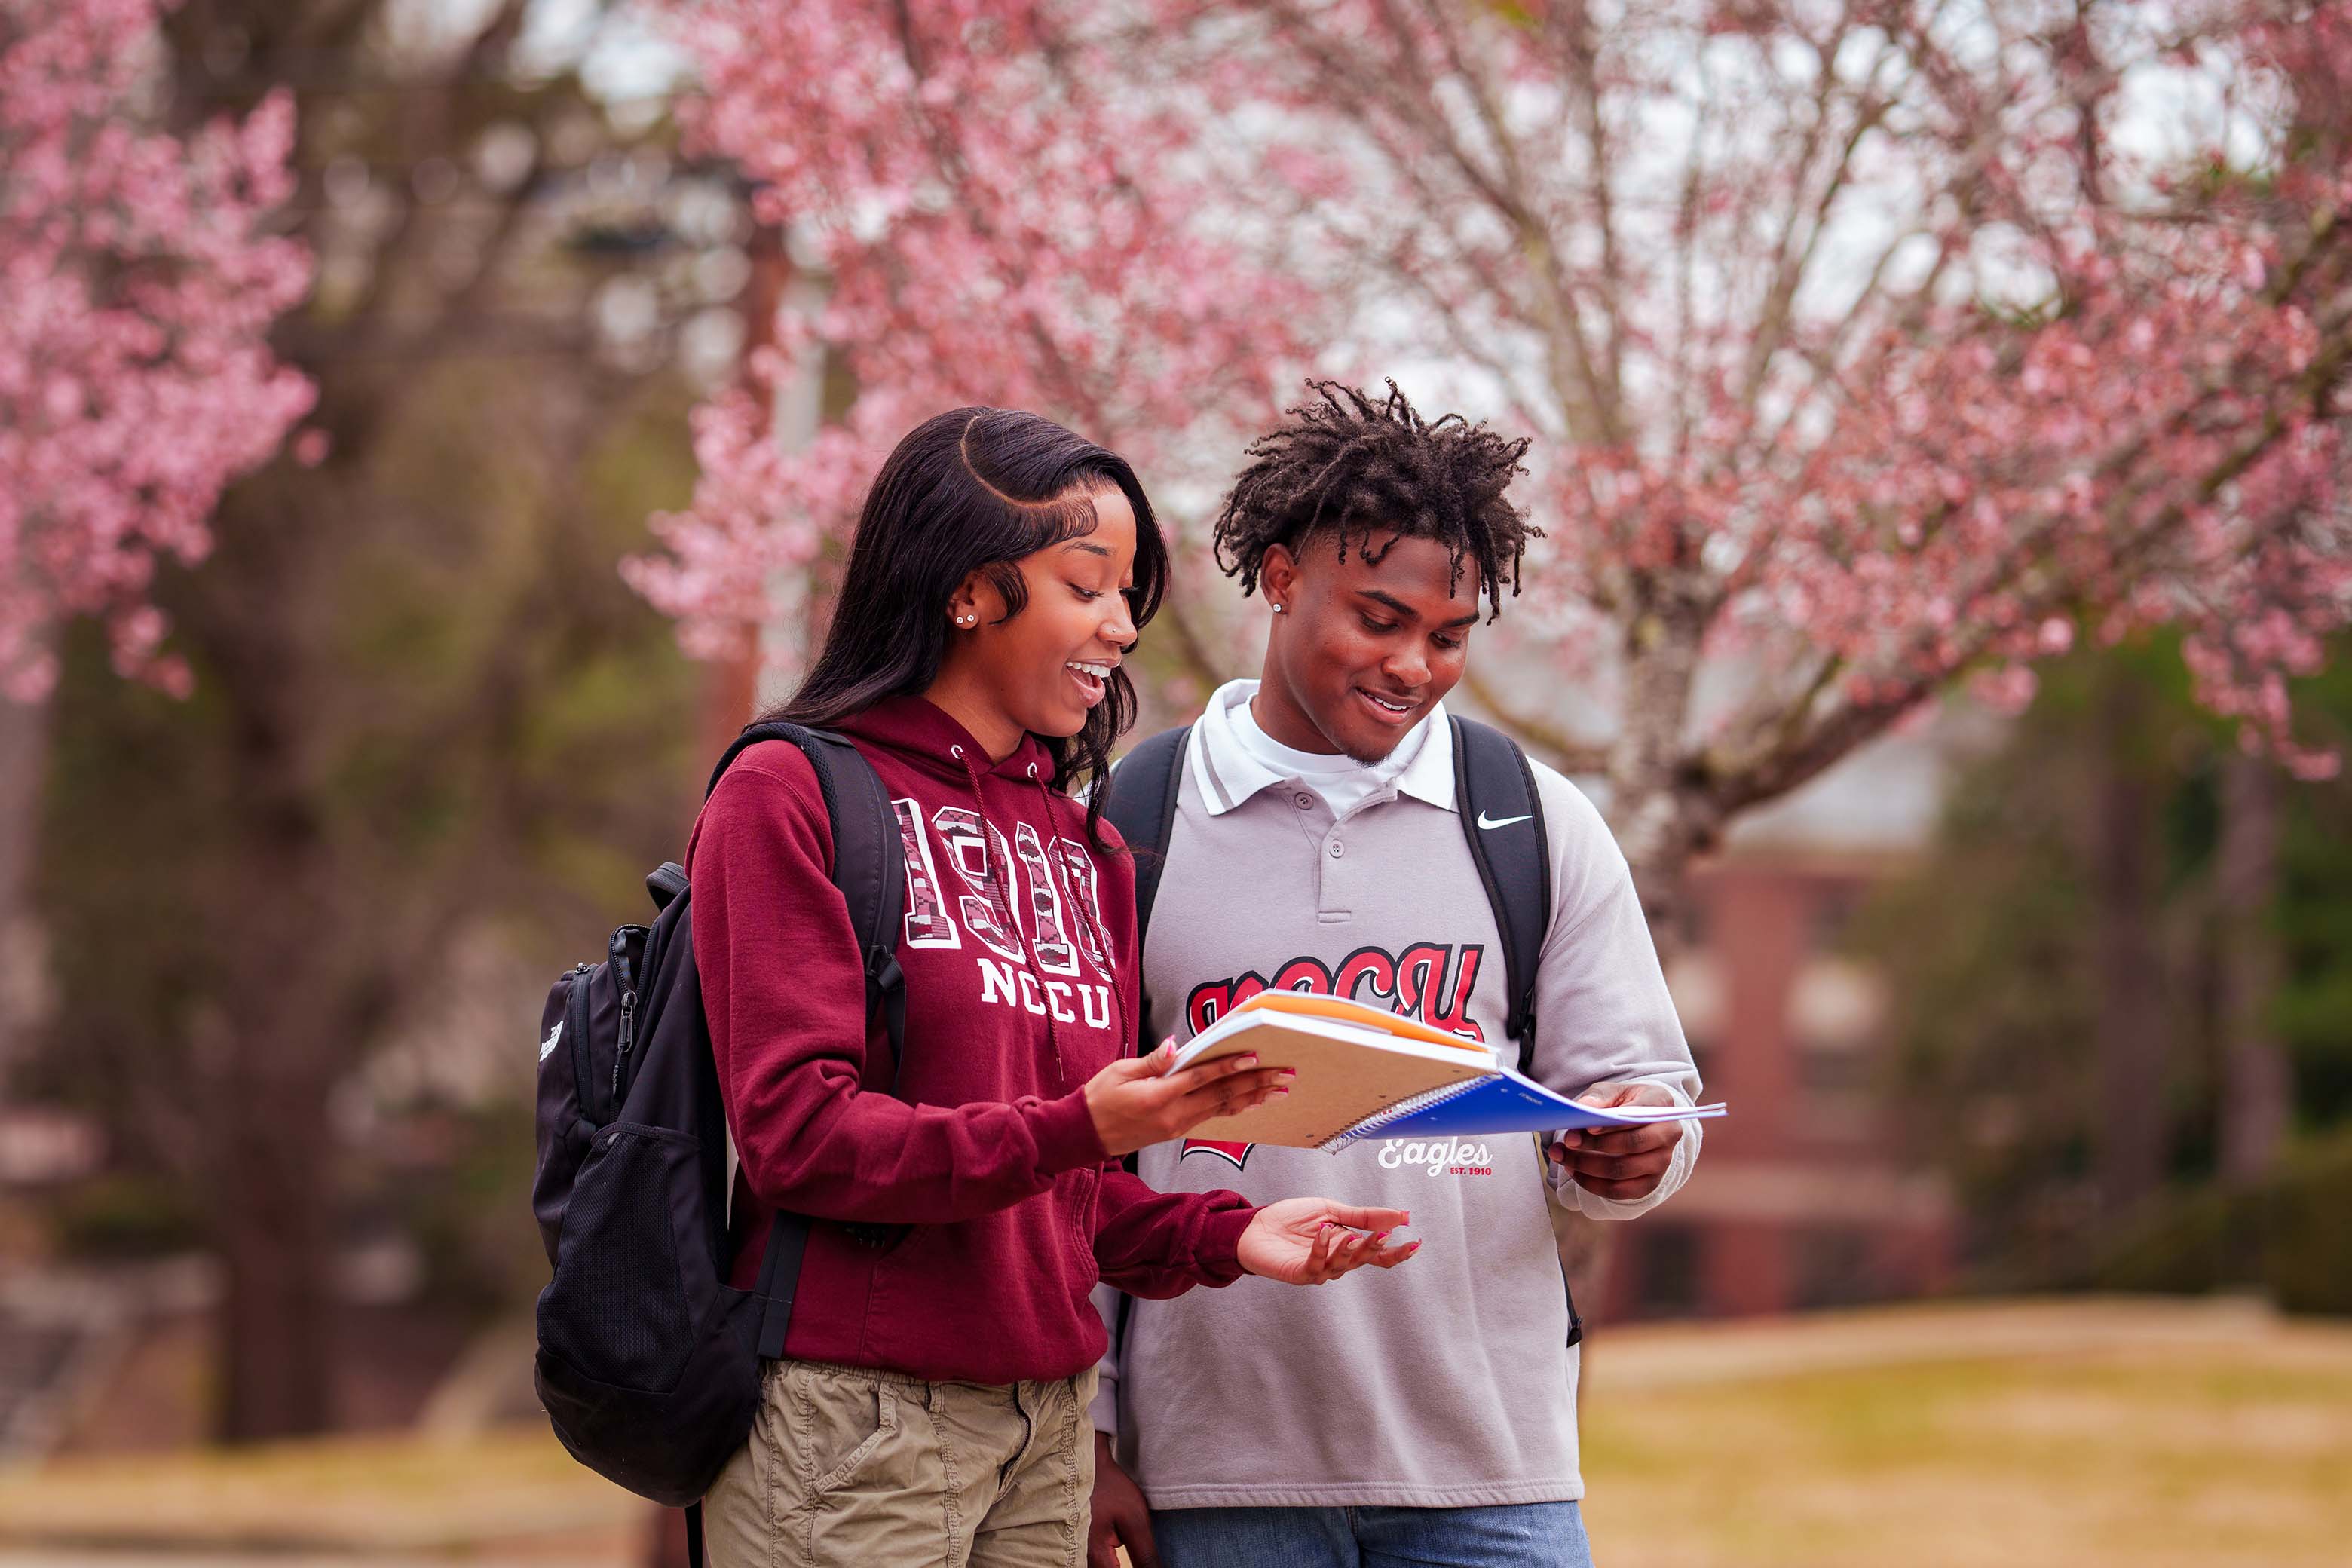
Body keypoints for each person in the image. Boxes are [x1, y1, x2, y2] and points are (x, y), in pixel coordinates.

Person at [690, 406, 1417, 1568]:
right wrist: (1078, 1128)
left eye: (1129, 592)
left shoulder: (1089, 848)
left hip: (1046, 1432)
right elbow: (798, 1138)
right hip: (855, 1421)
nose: (1122, 625)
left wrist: (1232, 1236)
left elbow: (1060, 1196)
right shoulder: (788, 792)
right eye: (1088, 587)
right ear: (970, 592)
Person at [1089, 383, 1702, 1568]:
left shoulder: (1532, 821)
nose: (1413, 666)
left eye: (1449, 636)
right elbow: (1075, 1169)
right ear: (1279, 577)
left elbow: (1646, 1095)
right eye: (1379, 619)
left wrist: (1635, 1146)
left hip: (1493, 1476)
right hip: (1218, 1474)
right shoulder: (1128, 825)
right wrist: (1095, 1435)